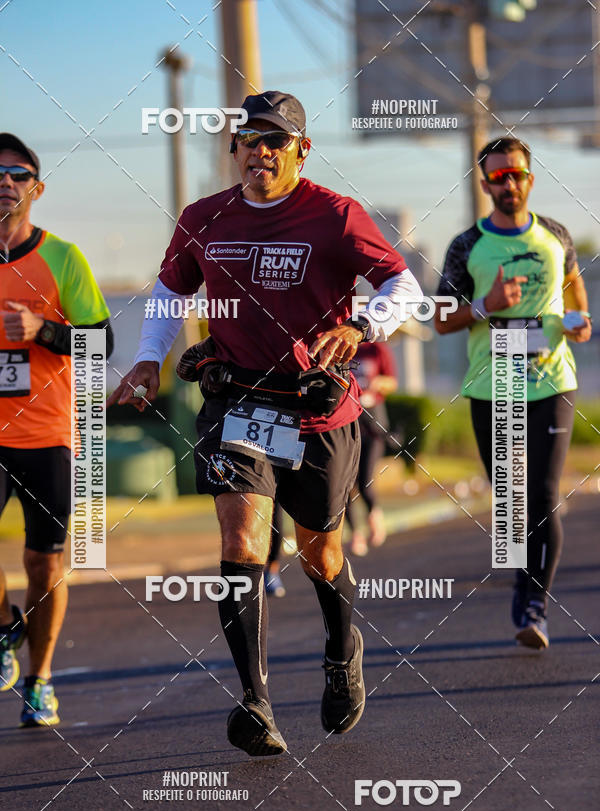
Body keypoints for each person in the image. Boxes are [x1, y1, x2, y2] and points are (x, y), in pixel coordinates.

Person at [110, 91, 423, 755]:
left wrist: (361, 324)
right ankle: (255, 701)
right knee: (243, 540)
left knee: (320, 553)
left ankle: (343, 648)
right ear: (234, 149)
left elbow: (405, 286)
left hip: (317, 412)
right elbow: (170, 292)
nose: (261, 150)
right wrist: (146, 359)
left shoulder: (336, 216)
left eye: (276, 140)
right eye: (250, 138)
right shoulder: (204, 218)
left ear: (301, 151)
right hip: (237, 404)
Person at [435, 136, 591, 650]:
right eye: (498, 176)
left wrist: (579, 321)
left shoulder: (556, 235)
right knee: (510, 502)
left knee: (542, 495)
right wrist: (487, 305)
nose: (509, 183)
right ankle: (523, 586)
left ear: (529, 178)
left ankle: (533, 605)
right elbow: (439, 321)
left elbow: (573, 287)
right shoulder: (466, 246)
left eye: (516, 174)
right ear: (485, 185)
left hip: (551, 379)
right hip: (493, 381)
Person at [0, 133, 113, 725]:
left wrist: (40, 329)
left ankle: (40, 678)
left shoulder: (62, 258)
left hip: (46, 434)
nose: (5, 182)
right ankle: (1, 629)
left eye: (18, 174)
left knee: (45, 563)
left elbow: (101, 344)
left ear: (35, 190)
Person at [345, 341, 398, 556]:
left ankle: (374, 516)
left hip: (373, 424)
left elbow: (392, 382)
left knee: (365, 481)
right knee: (346, 484)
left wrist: (375, 384)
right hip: (349, 422)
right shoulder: (344, 345)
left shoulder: (377, 349)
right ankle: (355, 533)